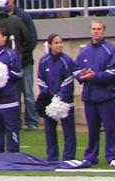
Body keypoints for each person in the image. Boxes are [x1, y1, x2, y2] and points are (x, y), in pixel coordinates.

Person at [75, 20, 115, 167]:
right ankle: (91, 156)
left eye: (99, 29)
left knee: (110, 128)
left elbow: (114, 72)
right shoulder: (84, 50)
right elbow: (75, 70)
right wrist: (81, 75)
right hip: (90, 97)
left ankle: (113, 156)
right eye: (94, 29)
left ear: (104, 31)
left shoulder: (111, 50)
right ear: (90, 31)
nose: (96, 31)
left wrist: (95, 76)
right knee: (92, 129)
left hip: (106, 96)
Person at [36, 33, 76, 161]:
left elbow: (68, 79)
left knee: (69, 131)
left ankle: (69, 157)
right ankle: (52, 157)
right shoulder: (44, 61)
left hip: (65, 102)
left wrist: (59, 96)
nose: (60, 45)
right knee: (50, 131)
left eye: (60, 42)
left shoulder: (67, 60)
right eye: (56, 43)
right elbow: (40, 79)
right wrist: (48, 95)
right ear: (50, 45)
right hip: (50, 103)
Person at [10, 0, 39, 130]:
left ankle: (32, 121)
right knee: (13, 94)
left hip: (25, 63)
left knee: (28, 94)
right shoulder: (1, 17)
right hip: (10, 65)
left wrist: (22, 56)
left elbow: (32, 39)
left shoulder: (23, 16)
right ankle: (15, 120)